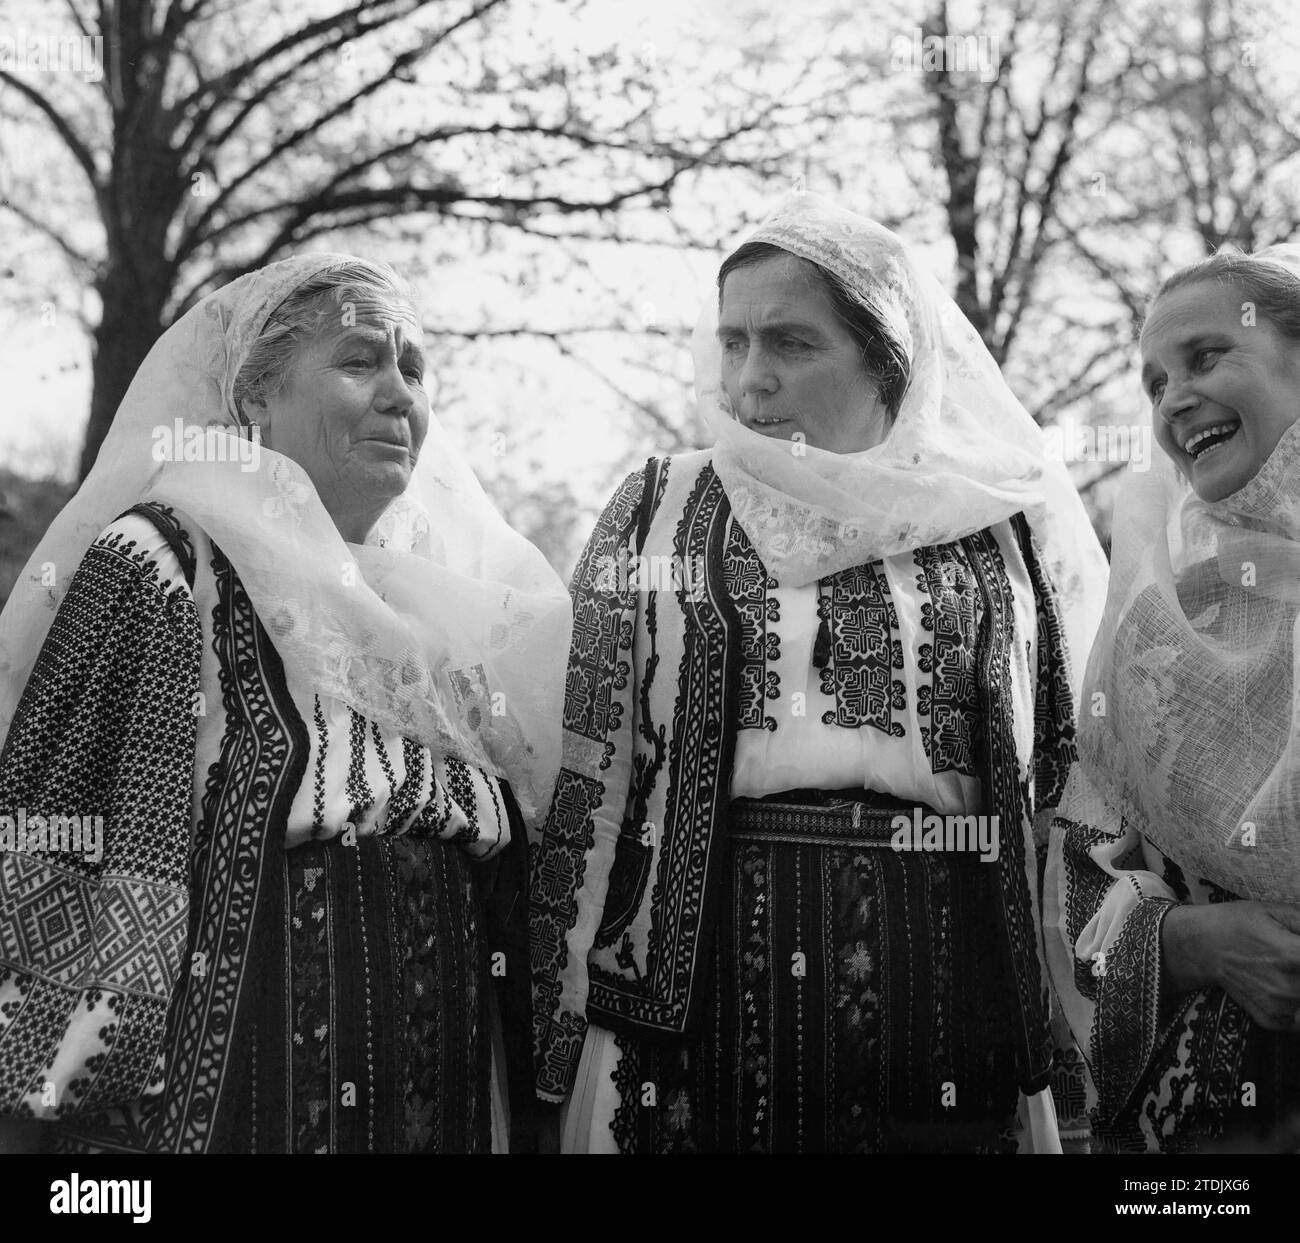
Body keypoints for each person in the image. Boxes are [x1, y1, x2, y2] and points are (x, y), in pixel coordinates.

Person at [529, 192, 1109, 1153]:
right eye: (734, 343)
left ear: (887, 361)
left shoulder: (990, 527)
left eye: (792, 343)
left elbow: (1056, 791)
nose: (751, 379)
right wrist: (554, 1046)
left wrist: (1069, 1039)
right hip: (700, 989)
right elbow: (592, 779)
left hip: (949, 980)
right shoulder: (659, 508)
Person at [0, 255, 571, 1153]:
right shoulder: (164, 563)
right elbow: (56, 857)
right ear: (255, 400)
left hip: (448, 1108)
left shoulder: (451, 622)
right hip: (234, 1105)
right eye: (358, 361)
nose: (397, 395)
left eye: (413, 370)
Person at [1047, 245, 1300, 1153]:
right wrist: (1196, 940)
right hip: (1205, 1141)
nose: (1172, 400)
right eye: (1155, 382)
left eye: (1204, 358)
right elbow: (1076, 893)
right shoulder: (1155, 629)